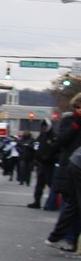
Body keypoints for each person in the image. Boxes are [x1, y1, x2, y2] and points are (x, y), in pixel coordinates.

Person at [44, 94, 81, 251]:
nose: (79, 110)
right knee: (70, 203)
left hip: (76, 163)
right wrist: (76, 124)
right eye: (77, 107)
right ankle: (66, 237)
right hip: (70, 165)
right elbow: (61, 141)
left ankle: (67, 238)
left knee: (74, 204)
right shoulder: (70, 120)